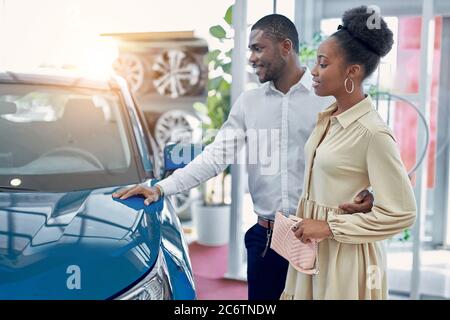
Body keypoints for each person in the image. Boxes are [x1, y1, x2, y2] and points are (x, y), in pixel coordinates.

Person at [113, 14, 374, 300]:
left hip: (319, 239)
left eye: (258, 48)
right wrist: (161, 188)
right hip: (267, 241)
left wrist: (371, 190)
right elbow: (215, 157)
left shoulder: (327, 98)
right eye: (250, 49)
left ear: (286, 47)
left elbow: (365, 151)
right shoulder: (249, 103)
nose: (251, 57)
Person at [280, 6, 417, 300]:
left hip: (347, 261)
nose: (313, 71)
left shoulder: (372, 133)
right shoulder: (327, 117)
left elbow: (403, 213)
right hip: (312, 251)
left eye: (323, 64)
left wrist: (329, 226)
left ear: (352, 72)